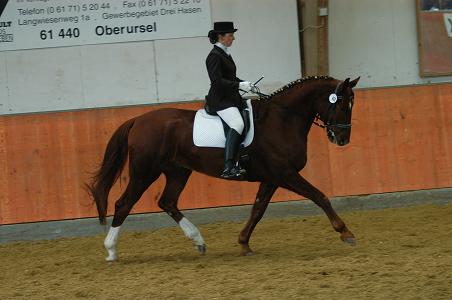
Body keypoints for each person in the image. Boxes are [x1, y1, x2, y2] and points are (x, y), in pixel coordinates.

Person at [205, 21, 255, 178]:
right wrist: (239, 84)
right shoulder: (213, 56)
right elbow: (217, 82)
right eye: (231, 35)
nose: (233, 38)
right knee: (237, 124)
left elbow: (230, 77)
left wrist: (245, 84)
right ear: (221, 37)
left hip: (230, 98)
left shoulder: (225, 53)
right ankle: (228, 166)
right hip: (220, 100)